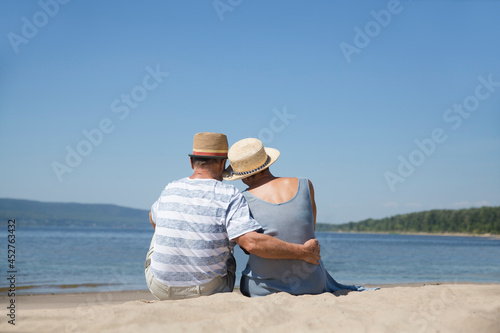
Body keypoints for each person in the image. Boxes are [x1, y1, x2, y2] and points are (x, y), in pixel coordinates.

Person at [144, 132, 321, 300]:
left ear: (191, 162)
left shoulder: (170, 188)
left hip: (159, 287)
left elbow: (153, 217)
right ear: (223, 164)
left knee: (158, 219)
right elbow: (252, 242)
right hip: (210, 290)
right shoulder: (230, 194)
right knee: (229, 239)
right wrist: (303, 252)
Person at [223, 138, 376, 297]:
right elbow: (307, 232)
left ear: (243, 176)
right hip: (312, 283)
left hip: (265, 288)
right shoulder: (305, 185)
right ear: (267, 163)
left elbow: (248, 247)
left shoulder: (242, 199)